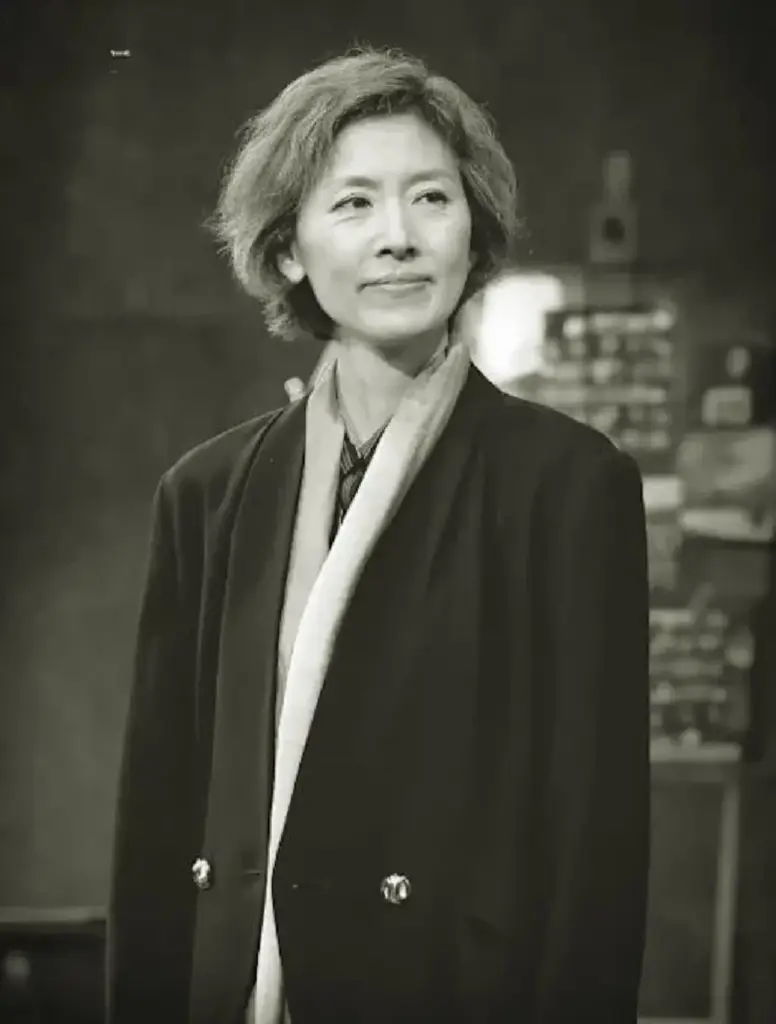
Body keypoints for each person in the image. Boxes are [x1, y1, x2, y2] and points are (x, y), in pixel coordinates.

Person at [106, 46, 651, 1024]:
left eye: (430, 198)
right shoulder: (207, 493)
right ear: (288, 249)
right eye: (354, 203)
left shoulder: (568, 487)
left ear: (473, 230)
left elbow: (593, 845)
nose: (398, 237)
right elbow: (158, 820)